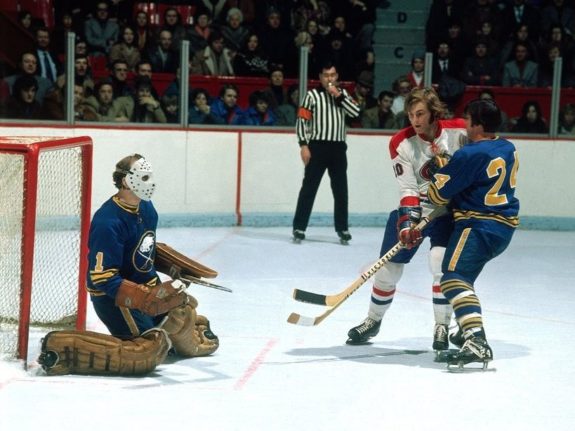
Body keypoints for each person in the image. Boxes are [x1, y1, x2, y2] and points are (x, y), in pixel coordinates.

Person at [38, 154, 219, 376]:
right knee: (146, 353)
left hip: (146, 287)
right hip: (116, 299)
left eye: (150, 177)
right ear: (125, 181)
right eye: (143, 177)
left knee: (182, 315)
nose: (150, 183)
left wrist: (173, 271)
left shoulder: (147, 208)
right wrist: (144, 298)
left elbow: (144, 249)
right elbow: (103, 278)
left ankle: (188, 326)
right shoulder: (108, 222)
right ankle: (62, 347)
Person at [346, 87, 467, 351]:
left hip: (448, 213)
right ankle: (373, 320)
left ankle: (442, 326)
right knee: (388, 269)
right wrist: (408, 223)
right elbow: (408, 188)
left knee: (440, 265)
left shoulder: (459, 132)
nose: (415, 120)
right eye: (411, 114)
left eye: (421, 113)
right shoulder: (401, 142)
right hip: (419, 209)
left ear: (434, 112)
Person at [426, 98, 519, 366]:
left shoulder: (469, 154)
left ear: (477, 125)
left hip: (477, 226)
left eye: (468, 120)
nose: (465, 125)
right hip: (503, 228)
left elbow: (436, 195)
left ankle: (476, 340)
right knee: (464, 279)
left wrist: (442, 169)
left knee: (453, 279)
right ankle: (467, 329)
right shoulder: (508, 147)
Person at [292, 61, 360, 243]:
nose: (329, 79)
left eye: (333, 75)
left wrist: (338, 96)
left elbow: (355, 113)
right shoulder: (311, 96)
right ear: (320, 77)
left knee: (340, 190)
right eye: (326, 75)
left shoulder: (343, 94)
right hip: (317, 147)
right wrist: (303, 145)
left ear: (337, 77)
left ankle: (342, 228)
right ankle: (299, 227)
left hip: (338, 148)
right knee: (309, 188)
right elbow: (301, 121)